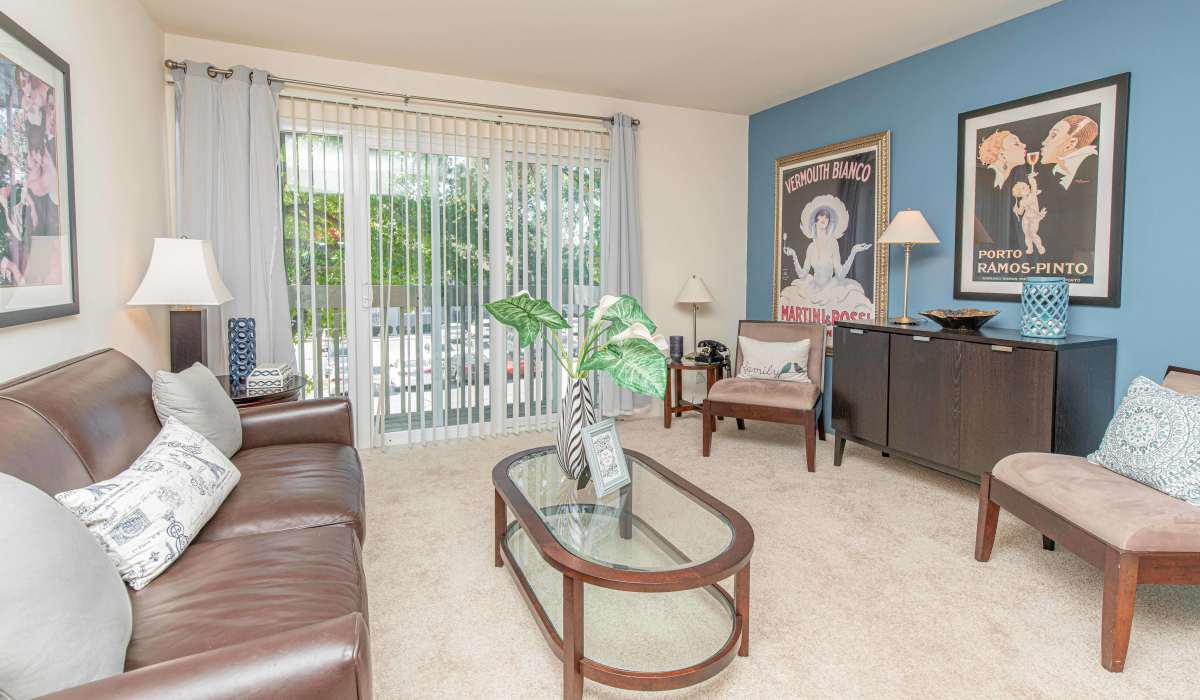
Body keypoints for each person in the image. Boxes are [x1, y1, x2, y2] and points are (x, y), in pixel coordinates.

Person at [779, 194, 873, 317]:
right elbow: (802, 274)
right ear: (815, 220)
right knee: (789, 297)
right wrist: (794, 256)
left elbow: (840, 275)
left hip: (830, 289)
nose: (824, 219)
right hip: (812, 288)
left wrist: (853, 252)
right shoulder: (811, 247)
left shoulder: (833, 243)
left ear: (829, 221)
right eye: (821, 216)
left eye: (827, 217)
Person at [1040, 114, 1099, 190]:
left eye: (1053, 135)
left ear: (1071, 144)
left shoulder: (1089, 171)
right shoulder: (1060, 171)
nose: (1044, 142)